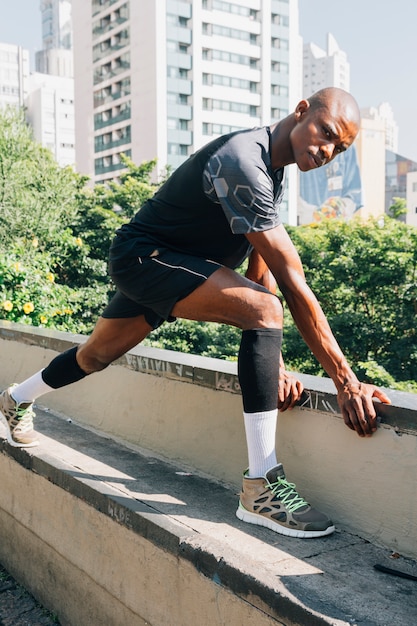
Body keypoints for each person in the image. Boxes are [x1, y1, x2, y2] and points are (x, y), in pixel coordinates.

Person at [0, 87, 390, 539]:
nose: (326, 151)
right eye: (325, 133)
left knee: (94, 357)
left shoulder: (272, 173)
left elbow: (258, 273)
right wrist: (346, 380)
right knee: (267, 310)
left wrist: (276, 365)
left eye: (338, 149)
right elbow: (289, 282)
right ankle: (261, 485)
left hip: (172, 268)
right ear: (301, 111)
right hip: (144, 259)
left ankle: (16, 398)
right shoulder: (243, 162)